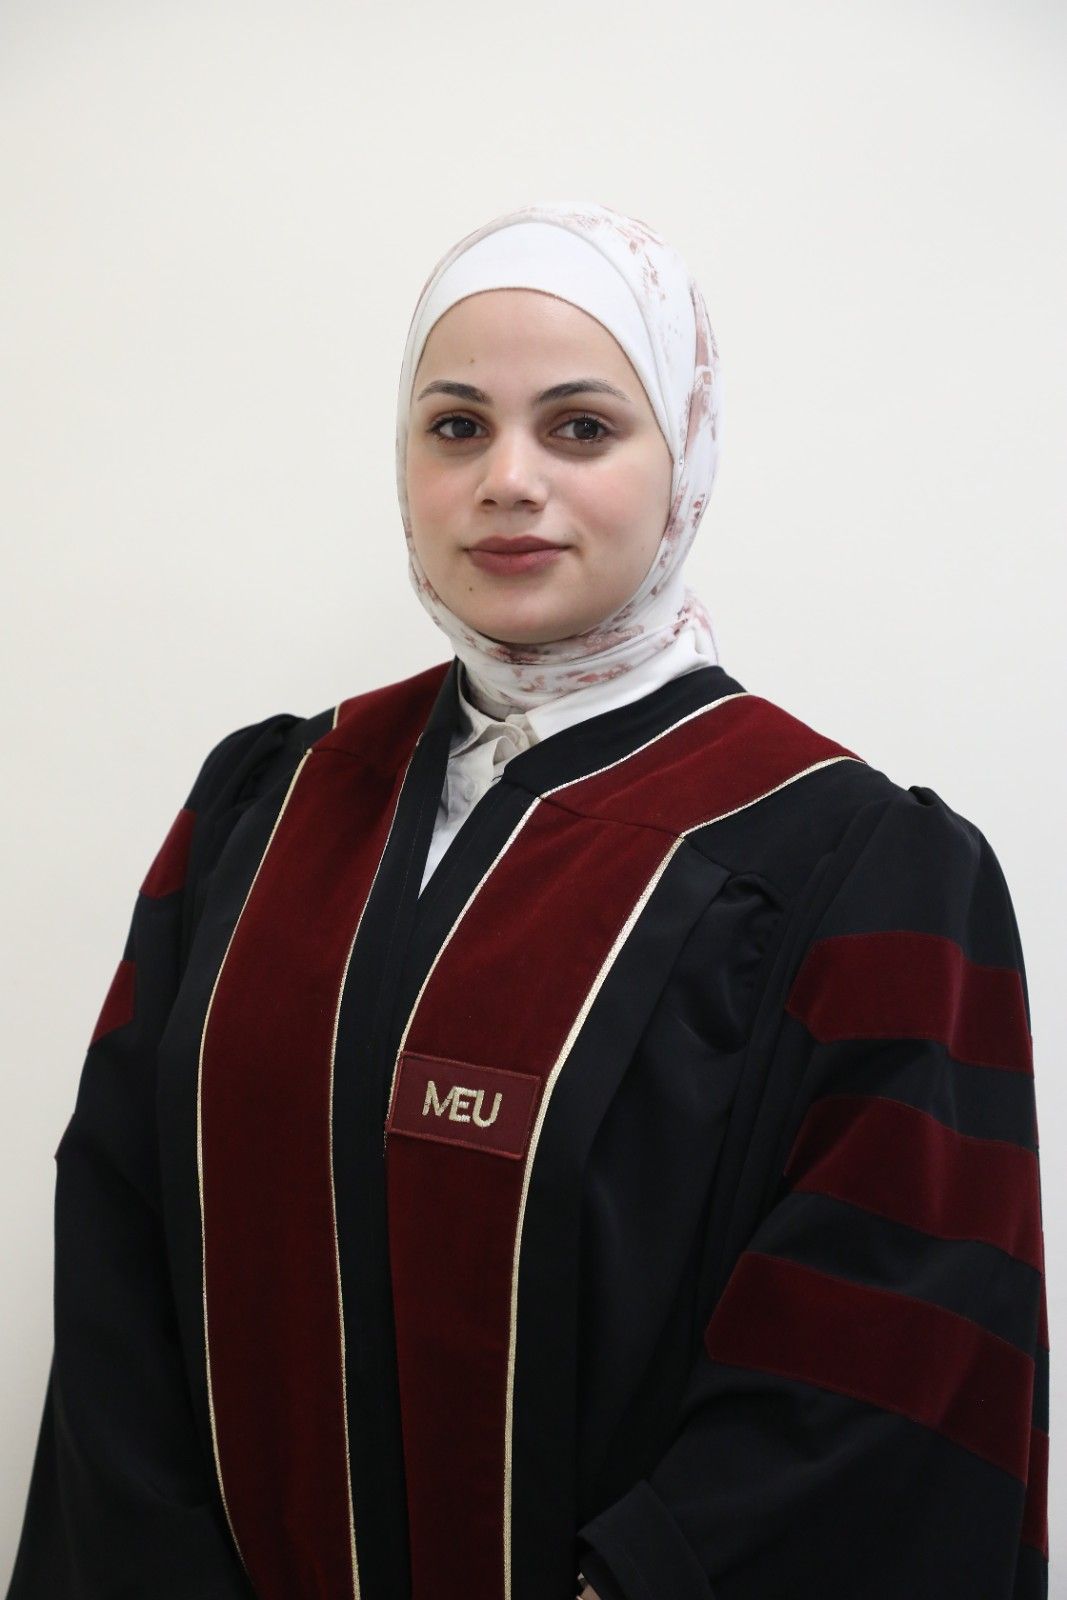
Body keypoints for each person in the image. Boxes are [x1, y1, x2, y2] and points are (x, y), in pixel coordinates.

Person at [5, 199, 1049, 1600]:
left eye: (580, 428)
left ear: (684, 458)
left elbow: (886, 1366)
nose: (508, 480)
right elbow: (123, 1252)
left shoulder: (851, 871)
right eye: (456, 427)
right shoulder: (266, 806)